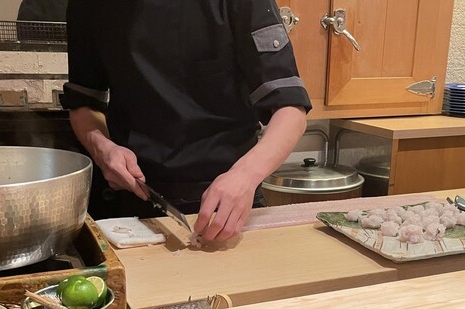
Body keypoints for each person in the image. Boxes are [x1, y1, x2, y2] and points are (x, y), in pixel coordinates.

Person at [62, 0, 311, 242]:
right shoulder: (88, 5)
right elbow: (84, 105)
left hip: (230, 200)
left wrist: (245, 176)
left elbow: (290, 110)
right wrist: (104, 150)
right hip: (134, 200)